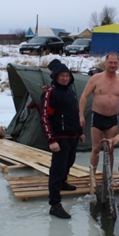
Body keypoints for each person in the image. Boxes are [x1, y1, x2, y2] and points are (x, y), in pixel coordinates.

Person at [79, 52, 119, 177]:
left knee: (110, 149)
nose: (113, 65)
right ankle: (93, 176)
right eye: (110, 62)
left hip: (112, 119)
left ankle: (108, 176)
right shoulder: (96, 78)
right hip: (97, 117)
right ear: (105, 63)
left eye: (115, 63)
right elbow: (84, 96)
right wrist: (80, 115)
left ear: (118, 64)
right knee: (96, 148)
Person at [41, 64, 86, 219]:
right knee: (57, 170)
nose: (65, 78)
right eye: (62, 76)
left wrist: (79, 132)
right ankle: (55, 204)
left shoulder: (70, 91)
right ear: (56, 76)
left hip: (72, 135)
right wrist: (51, 140)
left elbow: (73, 113)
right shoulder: (51, 93)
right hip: (59, 138)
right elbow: (45, 118)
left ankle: (63, 182)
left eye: (67, 76)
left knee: (70, 162)